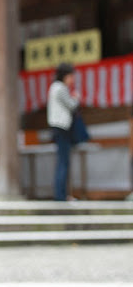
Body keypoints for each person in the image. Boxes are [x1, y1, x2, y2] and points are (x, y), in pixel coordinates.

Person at [47, 63, 80, 201]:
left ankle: (62, 194)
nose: (72, 79)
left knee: (63, 161)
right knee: (63, 162)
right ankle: (60, 196)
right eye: (71, 76)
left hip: (58, 127)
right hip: (61, 127)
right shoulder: (60, 88)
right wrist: (76, 97)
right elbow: (71, 105)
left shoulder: (55, 88)